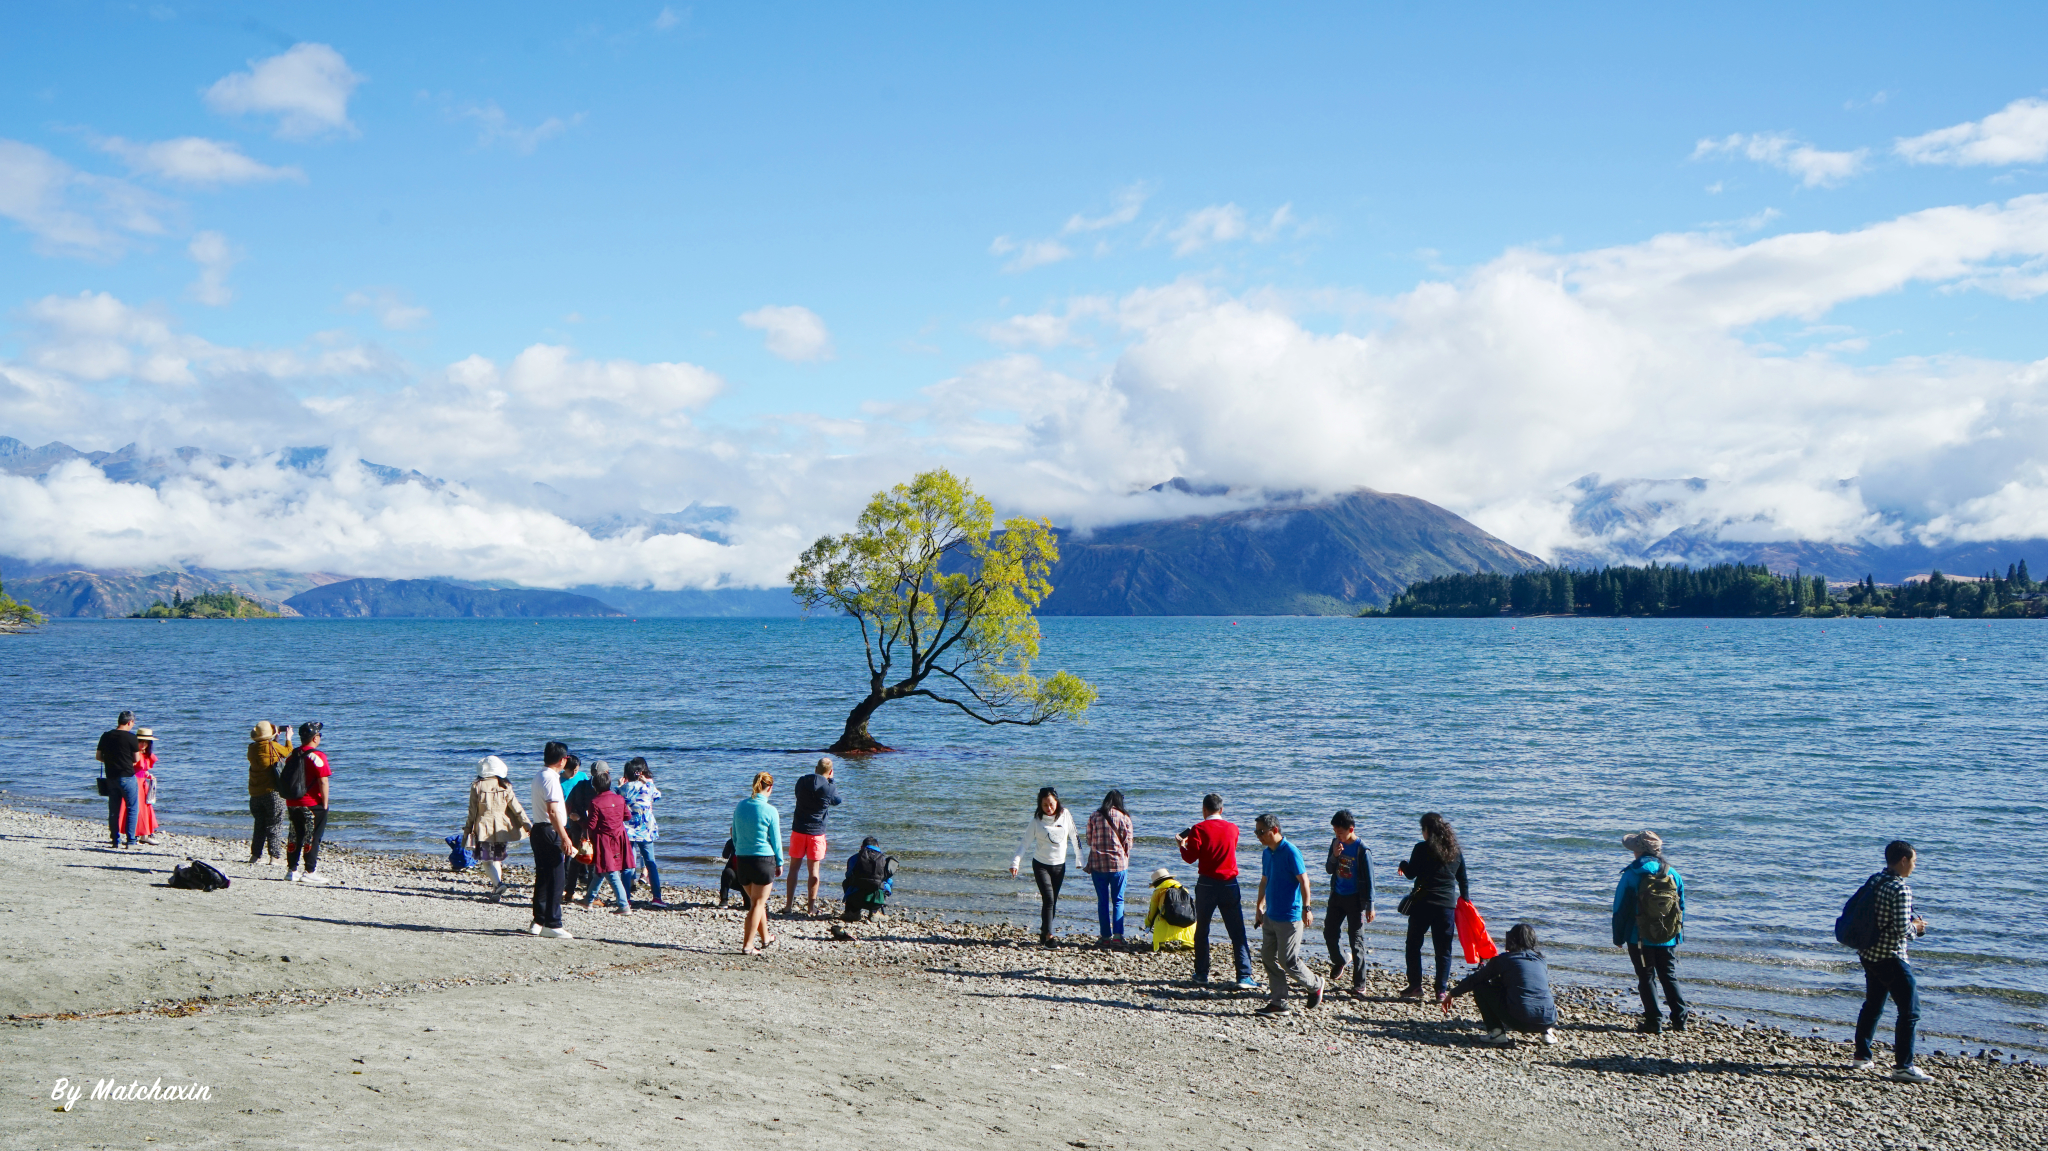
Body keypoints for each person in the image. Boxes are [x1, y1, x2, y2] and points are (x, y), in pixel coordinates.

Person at [1852, 840, 1932, 1083]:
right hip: (1890, 956)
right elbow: (1900, 929)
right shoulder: (1901, 889)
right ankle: (1903, 1066)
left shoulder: (1876, 880)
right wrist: (1916, 928)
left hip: (1869, 953)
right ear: (1904, 860)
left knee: (1873, 1005)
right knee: (1910, 1011)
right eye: (1914, 861)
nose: (1915, 866)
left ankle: (1862, 1056)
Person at [1176, 793, 1258, 989]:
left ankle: (1202, 973)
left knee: (1202, 929)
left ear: (1204, 810)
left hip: (1207, 884)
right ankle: (1244, 975)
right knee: (1237, 931)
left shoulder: (1198, 829)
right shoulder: (1233, 828)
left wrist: (1182, 845)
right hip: (1229, 882)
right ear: (1221, 810)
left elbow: (1190, 858)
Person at [1611, 830, 1690, 1033]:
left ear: (1637, 850)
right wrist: (1677, 935)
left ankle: (1654, 1022)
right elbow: (1680, 908)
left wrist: (1618, 936)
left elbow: (1620, 908)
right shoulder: (1673, 873)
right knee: (1668, 975)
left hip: (1638, 937)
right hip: (1668, 936)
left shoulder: (1632, 874)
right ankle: (1680, 1020)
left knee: (1646, 976)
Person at [1252, 813, 1324, 1015]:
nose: (1258, 836)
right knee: (1267, 956)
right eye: (1256, 832)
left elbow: (1304, 881)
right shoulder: (1267, 853)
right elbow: (1264, 881)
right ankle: (1279, 1002)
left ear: (1274, 830)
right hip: (1271, 915)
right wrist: (1259, 906)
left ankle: (1315, 984)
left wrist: (1307, 908)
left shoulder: (1291, 852)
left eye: (1261, 832)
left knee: (1287, 961)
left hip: (1290, 917)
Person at [1443, 923, 1558, 1046]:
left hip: (1519, 1020)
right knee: (1535, 988)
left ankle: (1496, 1033)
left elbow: (1476, 979)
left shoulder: (1503, 959)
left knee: (1480, 986)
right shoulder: (1541, 960)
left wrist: (1452, 993)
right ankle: (1547, 1033)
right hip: (1549, 1019)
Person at [1396, 812, 1469, 1000]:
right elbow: (1463, 880)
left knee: (1413, 945)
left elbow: (1411, 874)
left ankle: (1415, 986)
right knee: (1443, 950)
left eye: (1423, 829)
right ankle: (1441, 991)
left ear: (1427, 830)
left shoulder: (1421, 848)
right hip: (1446, 907)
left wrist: (1403, 864)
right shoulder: (1455, 851)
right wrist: (1466, 902)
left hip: (1423, 904)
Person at [1010, 787, 1078, 946]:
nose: (1049, 808)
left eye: (1051, 804)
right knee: (1048, 899)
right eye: (1045, 805)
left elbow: (1075, 835)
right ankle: (1049, 936)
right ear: (1040, 805)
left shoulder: (1065, 815)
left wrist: (1079, 859)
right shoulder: (1036, 821)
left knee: (1052, 901)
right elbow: (1024, 843)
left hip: (1059, 866)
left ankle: (1043, 932)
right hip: (1041, 865)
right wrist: (1015, 862)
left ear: (1057, 802)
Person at [731, 771, 785, 955]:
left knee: (757, 902)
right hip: (763, 860)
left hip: (743, 860)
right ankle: (747, 945)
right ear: (769, 788)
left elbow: (735, 835)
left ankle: (766, 937)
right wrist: (780, 862)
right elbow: (776, 841)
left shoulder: (740, 806)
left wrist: (739, 851)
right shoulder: (770, 810)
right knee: (758, 904)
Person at [464, 755, 531, 901]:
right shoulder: (505, 785)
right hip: (501, 828)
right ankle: (496, 891)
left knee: (487, 861)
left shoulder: (477, 786)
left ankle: (499, 884)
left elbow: (472, 812)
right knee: (496, 860)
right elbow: (517, 808)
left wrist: (468, 829)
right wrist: (528, 825)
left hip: (483, 828)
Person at [1324, 809, 1375, 997]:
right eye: (1335, 833)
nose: (1338, 837)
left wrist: (1370, 905)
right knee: (1329, 932)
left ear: (1351, 829)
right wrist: (1334, 856)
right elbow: (1329, 869)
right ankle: (1340, 960)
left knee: (1357, 941)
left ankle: (1359, 984)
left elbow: (1370, 880)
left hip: (1355, 899)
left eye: (1340, 833)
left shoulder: (1363, 850)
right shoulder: (1336, 844)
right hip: (1337, 896)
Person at [528, 741, 576, 939]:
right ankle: (552, 923)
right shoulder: (551, 778)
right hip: (549, 829)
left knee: (544, 877)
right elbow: (553, 810)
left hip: (539, 829)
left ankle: (539, 920)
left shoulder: (540, 775)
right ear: (562, 760)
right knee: (557, 878)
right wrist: (564, 837)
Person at [784, 756, 841, 916]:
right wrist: (832, 780)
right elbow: (837, 801)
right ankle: (811, 907)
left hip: (799, 830)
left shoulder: (802, 781)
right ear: (830, 772)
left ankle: (788, 905)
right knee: (814, 871)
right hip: (816, 833)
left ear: (816, 769)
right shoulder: (829, 788)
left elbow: (797, 794)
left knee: (793, 868)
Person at [578, 763, 634, 915]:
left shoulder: (595, 802)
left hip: (604, 840)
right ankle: (588, 900)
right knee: (600, 871)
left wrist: (578, 819)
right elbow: (627, 816)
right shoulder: (619, 799)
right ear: (609, 784)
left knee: (610, 871)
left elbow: (591, 825)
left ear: (595, 787)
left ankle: (624, 905)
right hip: (620, 836)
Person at [283, 723, 333, 885]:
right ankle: (310, 871)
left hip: (292, 801)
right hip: (311, 803)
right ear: (315, 738)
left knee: (295, 835)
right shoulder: (317, 756)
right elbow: (323, 781)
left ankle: (292, 870)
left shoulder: (293, 754)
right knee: (312, 837)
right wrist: (325, 804)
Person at [1085, 789, 1135, 946]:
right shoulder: (1124, 817)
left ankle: (1105, 937)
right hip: (1118, 865)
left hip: (1098, 864)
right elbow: (1128, 843)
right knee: (1118, 900)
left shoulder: (1094, 816)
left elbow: (1088, 840)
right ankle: (1118, 936)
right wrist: (1123, 855)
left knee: (1103, 901)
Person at [619, 758, 666, 909]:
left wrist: (621, 785)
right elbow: (658, 795)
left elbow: (618, 797)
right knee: (650, 863)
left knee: (629, 865)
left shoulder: (623, 789)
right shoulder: (648, 787)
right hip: (646, 830)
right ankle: (656, 897)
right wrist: (648, 782)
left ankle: (626, 898)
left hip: (628, 830)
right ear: (640, 773)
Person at [96, 711, 141, 849]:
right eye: (133, 723)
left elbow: (98, 756)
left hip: (111, 777)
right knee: (132, 808)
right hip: (127, 776)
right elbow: (137, 759)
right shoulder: (131, 737)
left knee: (114, 809)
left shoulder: (106, 736)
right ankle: (131, 840)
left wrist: (111, 762)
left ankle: (115, 840)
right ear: (129, 722)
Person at [246, 722, 289, 865]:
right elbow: (288, 752)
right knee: (274, 824)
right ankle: (275, 857)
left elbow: (268, 753)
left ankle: (255, 856)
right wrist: (288, 738)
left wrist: (274, 739)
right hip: (272, 792)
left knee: (259, 824)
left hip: (255, 793)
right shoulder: (272, 746)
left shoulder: (251, 749)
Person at [842, 835, 895, 922]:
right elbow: (889, 881)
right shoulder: (883, 860)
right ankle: (874, 912)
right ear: (877, 846)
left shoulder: (853, 858)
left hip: (855, 897)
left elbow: (848, 875)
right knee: (885, 884)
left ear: (861, 847)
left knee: (846, 882)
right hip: (875, 898)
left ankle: (853, 912)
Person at [1144, 867, 1197, 952]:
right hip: (1187, 923)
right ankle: (1187, 942)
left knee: (1160, 914)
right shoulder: (1183, 889)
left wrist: (1148, 922)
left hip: (1167, 922)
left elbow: (1152, 911)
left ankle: (1161, 942)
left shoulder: (1159, 891)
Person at [560, 754, 591, 899]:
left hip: (580, 819)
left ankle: (583, 875)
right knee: (569, 851)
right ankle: (566, 880)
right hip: (565, 819)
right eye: (572, 770)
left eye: (577, 770)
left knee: (582, 846)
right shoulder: (559, 780)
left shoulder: (583, 776)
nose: (574, 773)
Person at [125, 728, 161, 845]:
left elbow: (142, 770)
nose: (143, 744)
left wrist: (148, 775)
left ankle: (145, 833)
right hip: (135, 783)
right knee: (138, 809)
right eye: (141, 741)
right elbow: (131, 769)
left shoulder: (145, 755)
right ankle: (141, 834)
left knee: (145, 808)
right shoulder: (135, 754)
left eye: (146, 742)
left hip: (142, 784)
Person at [719, 838, 741, 908]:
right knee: (727, 872)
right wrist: (731, 842)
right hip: (734, 878)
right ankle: (724, 900)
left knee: (749, 906)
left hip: (748, 881)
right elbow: (725, 855)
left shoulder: (751, 842)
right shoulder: (732, 841)